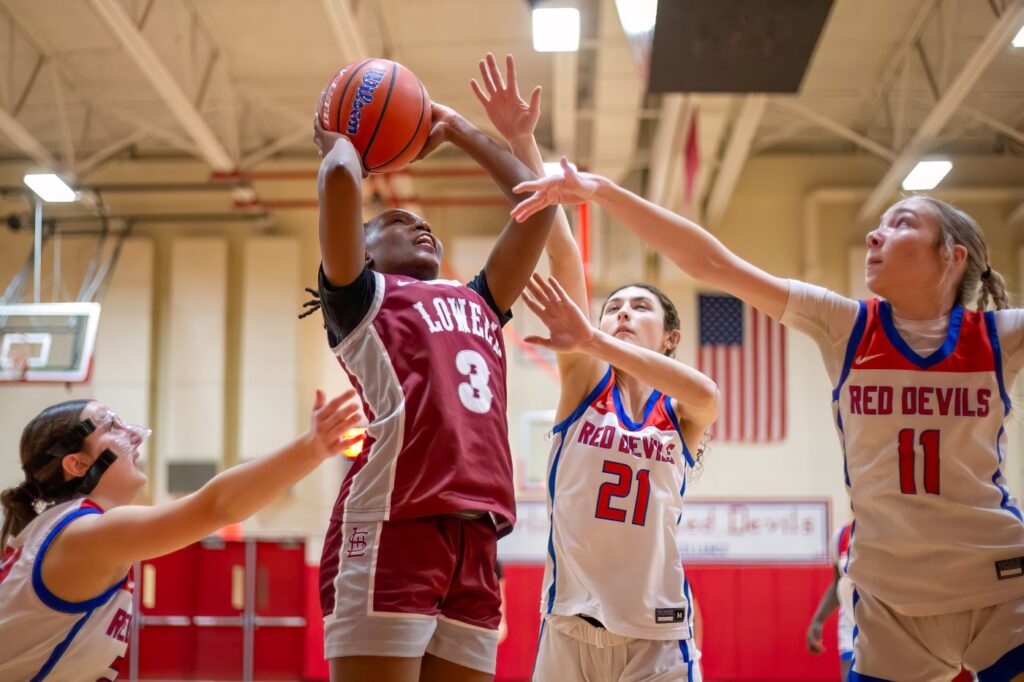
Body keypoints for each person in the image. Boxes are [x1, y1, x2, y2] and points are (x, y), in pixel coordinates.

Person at [510, 166, 1024, 680]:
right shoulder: (847, 325)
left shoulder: (1001, 336)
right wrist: (598, 191)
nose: (874, 233)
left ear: (952, 257)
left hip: (999, 584)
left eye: (902, 223)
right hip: (891, 600)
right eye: (613, 307)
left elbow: (705, 389)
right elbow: (710, 262)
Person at [471, 54, 718, 681]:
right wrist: (522, 140)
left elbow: (707, 391)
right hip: (569, 627)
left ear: (670, 337)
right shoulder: (585, 382)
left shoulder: (681, 412)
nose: (622, 314)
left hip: (657, 635)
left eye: (640, 307)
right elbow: (562, 246)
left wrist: (593, 336)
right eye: (613, 309)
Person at [308, 63, 557, 682]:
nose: (418, 224)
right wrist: (341, 133)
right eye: (394, 222)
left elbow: (541, 208)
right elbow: (341, 177)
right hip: (392, 521)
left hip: (476, 535)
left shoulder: (478, 300)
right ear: (361, 251)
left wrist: (454, 127)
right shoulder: (360, 298)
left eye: (422, 223)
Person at [0, 391, 363, 681]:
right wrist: (312, 448)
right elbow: (216, 506)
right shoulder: (86, 533)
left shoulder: (66, 528)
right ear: (77, 464)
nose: (131, 434)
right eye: (110, 426)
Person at [806, 521, 854, 680]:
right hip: (850, 627)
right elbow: (838, 583)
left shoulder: (889, 534)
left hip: (884, 626)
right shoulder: (841, 536)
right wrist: (818, 620)